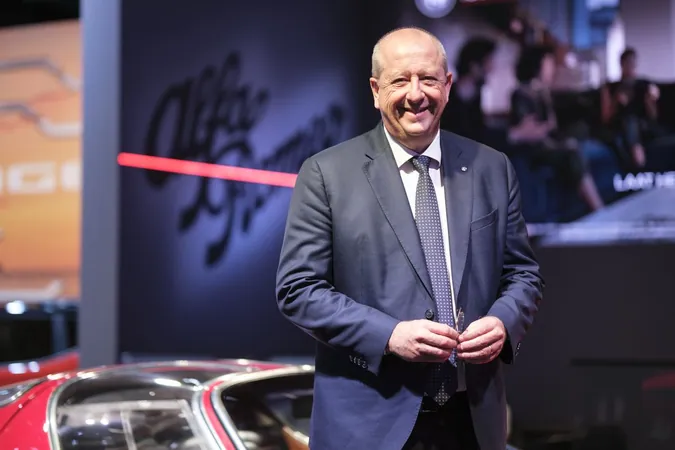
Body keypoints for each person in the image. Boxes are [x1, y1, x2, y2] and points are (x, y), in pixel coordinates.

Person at [276, 27, 544, 450]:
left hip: (472, 420)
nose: (416, 94)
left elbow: (522, 274)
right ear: (375, 90)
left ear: (448, 85)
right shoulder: (326, 174)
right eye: (400, 80)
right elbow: (298, 289)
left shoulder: (492, 168)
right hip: (368, 424)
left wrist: (504, 322)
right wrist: (388, 335)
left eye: (428, 79)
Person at [509, 45, 605, 212]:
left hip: (547, 142)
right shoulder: (522, 93)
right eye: (548, 64)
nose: (552, 69)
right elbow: (532, 130)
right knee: (572, 152)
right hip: (533, 148)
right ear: (538, 65)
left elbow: (552, 125)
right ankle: (597, 207)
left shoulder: (542, 91)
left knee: (579, 137)